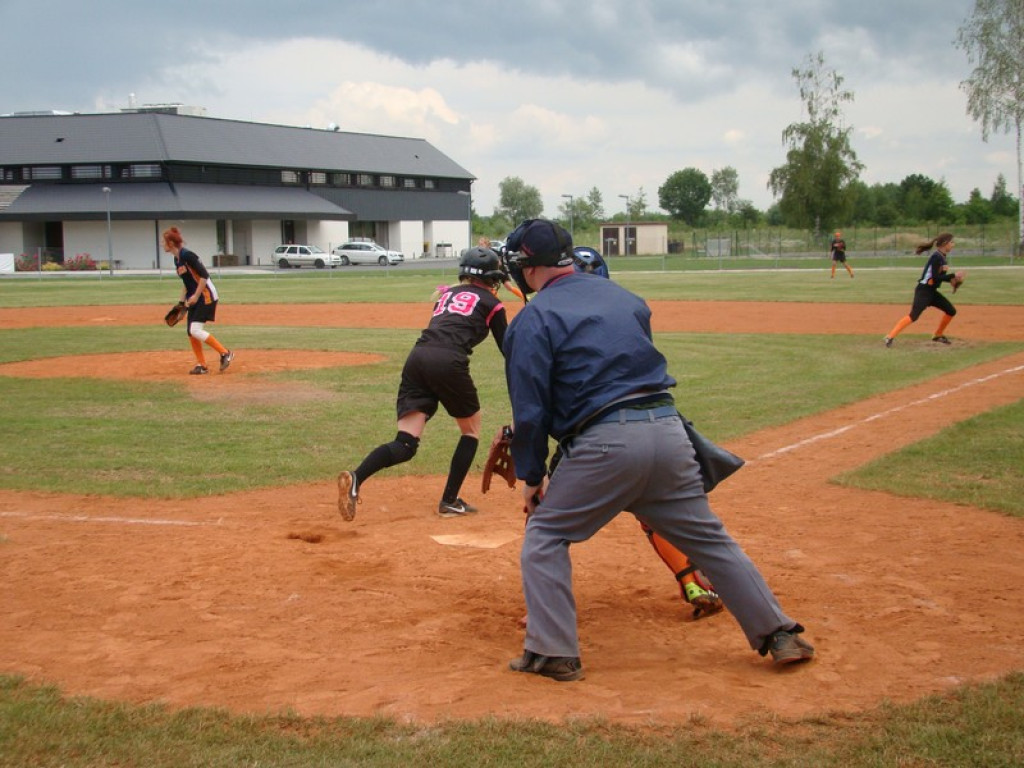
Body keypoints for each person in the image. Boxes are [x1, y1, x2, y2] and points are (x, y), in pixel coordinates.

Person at [501, 219, 814, 682]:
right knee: (710, 541)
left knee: (545, 537)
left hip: (605, 443)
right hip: (670, 434)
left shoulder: (533, 317)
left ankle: (553, 653)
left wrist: (532, 477)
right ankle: (780, 633)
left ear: (526, 268)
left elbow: (531, 411)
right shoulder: (626, 298)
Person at [337, 246, 509, 520]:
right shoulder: (493, 304)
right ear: (493, 278)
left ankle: (356, 478)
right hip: (448, 361)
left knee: (405, 443)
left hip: (417, 358)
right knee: (471, 430)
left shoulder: (447, 294)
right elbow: (508, 349)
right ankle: (450, 501)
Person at [161, 227, 234, 375]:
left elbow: (204, 276)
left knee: (195, 330)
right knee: (191, 332)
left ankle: (225, 353)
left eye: (164, 242)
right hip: (195, 297)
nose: (162, 244)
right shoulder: (177, 259)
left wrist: (195, 296)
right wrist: (181, 303)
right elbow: (187, 282)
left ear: (171, 243)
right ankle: (202, 365)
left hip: (206, 295)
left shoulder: (188, 256)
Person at [884, 232, 960, 347]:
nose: (953, 245)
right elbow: (935, 277)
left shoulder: (942, 257)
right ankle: (890, 336)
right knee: (913, 316)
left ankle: (938, 335)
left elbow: (938, 278)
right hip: (923, 291)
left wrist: (953, 280)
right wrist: (952, 276)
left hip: (932, 292)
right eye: (951, 242)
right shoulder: (936, 257)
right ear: (945, 244)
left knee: (951, 311)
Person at [479, 236, 524, 301]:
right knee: (490, 288)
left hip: (500, 271)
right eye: (479, 244)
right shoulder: (481, 253)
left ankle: (524, 298)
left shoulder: (493, 252)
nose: (480, 246)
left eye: (482, 244)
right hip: (492, 272)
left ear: (487, 244)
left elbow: (499, 263)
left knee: (509, 287)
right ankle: (496, 303)